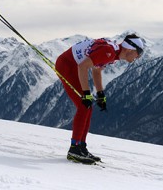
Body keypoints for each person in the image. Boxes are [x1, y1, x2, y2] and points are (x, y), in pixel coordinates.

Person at [55, 34, 144, 164]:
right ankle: (74, 149)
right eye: (138, 53)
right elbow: (82, 67)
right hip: (67, 66)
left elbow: (96, 71)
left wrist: (100, 94)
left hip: (73, 66)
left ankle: (81, 147)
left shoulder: (113, 52)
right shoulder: (109, 52)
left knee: (88, 107)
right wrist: (86, 93)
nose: (138, 57)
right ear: (130, 49)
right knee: (84, 106)